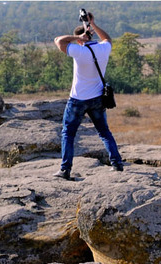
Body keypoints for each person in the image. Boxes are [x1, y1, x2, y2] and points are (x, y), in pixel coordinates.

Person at [53, 12, 123, 180]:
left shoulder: (78, 51)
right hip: (98, 99)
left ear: (79, 40)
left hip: (78, 99)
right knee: (104, 132)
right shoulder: (103, 48)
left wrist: (80, 38)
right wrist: (93, 24)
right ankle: (117, 163)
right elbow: (108, 39)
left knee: (68, 134)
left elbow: (58, 40)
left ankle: (65, 170)